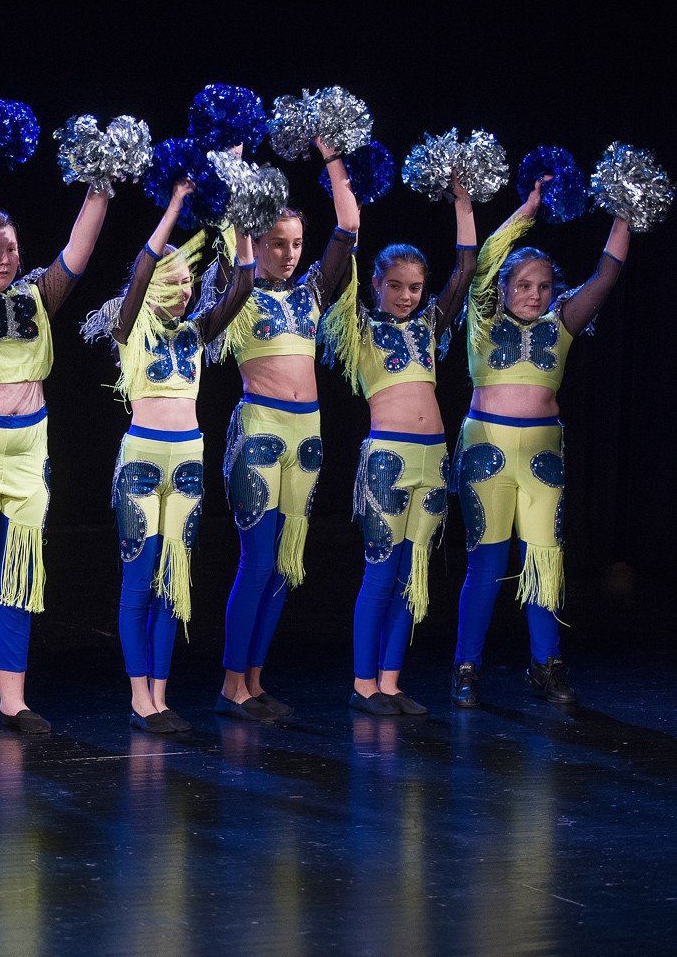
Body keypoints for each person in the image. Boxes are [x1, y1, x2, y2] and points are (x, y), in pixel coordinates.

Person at [0, 162, 110, 735]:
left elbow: (79, 251)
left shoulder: (37, 296)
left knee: (19, 573)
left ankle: (13, 699)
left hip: (29, 451)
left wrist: (101, 184)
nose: (6, 258)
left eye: (12, 248)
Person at [452, 177, 629, 708]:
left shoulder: (562, 324)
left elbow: (606, 275)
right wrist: (527, 210)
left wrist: (626, 213)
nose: (535, 294)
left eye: (544, 286)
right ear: (504, 288)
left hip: (542, 458)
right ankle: (466, 667)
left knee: (543, 560)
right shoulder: (482, 319)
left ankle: (546, 664)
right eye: (524, 285)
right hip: (485, 452)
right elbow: (483, 259)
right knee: (486, 564)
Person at [84, 179, 254, 732]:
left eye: (188, 282)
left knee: (171, 581)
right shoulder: (130, 328)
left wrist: (236, 214)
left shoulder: (197, 332)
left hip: (187, 465)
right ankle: (139, 697)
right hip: (141, 464)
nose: (185, 291)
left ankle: (160, 693)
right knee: (139, 582)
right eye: (174, 282)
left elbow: (244, 282)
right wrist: (176, 204)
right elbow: (140, 271)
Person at [212, 137, 358, 721]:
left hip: (308, 439)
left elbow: (349, 225)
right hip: (260, 431)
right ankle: (231, 685)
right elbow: (232, 246)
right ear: (257, 241)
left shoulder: (312, 292)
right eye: (278, 243)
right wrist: (233, 172)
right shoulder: (241, 290)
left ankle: (254, 680)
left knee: (283, 567)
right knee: (256, 561)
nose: (291, 254)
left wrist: (331, 155)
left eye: (297, 243)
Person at [321, 178, 477, 715]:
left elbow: (465, 269)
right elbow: (339, 270)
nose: (407, 296)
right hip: (388, 459)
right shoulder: (360, 328)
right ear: (377, 284)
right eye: (396, 286)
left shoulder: (431, 324)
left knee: (414, 575)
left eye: (415, 287)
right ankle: (364, 685)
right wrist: (350, 206)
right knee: (381, 573)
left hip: (433, 461)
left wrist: (462, 203)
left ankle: (390, 682)